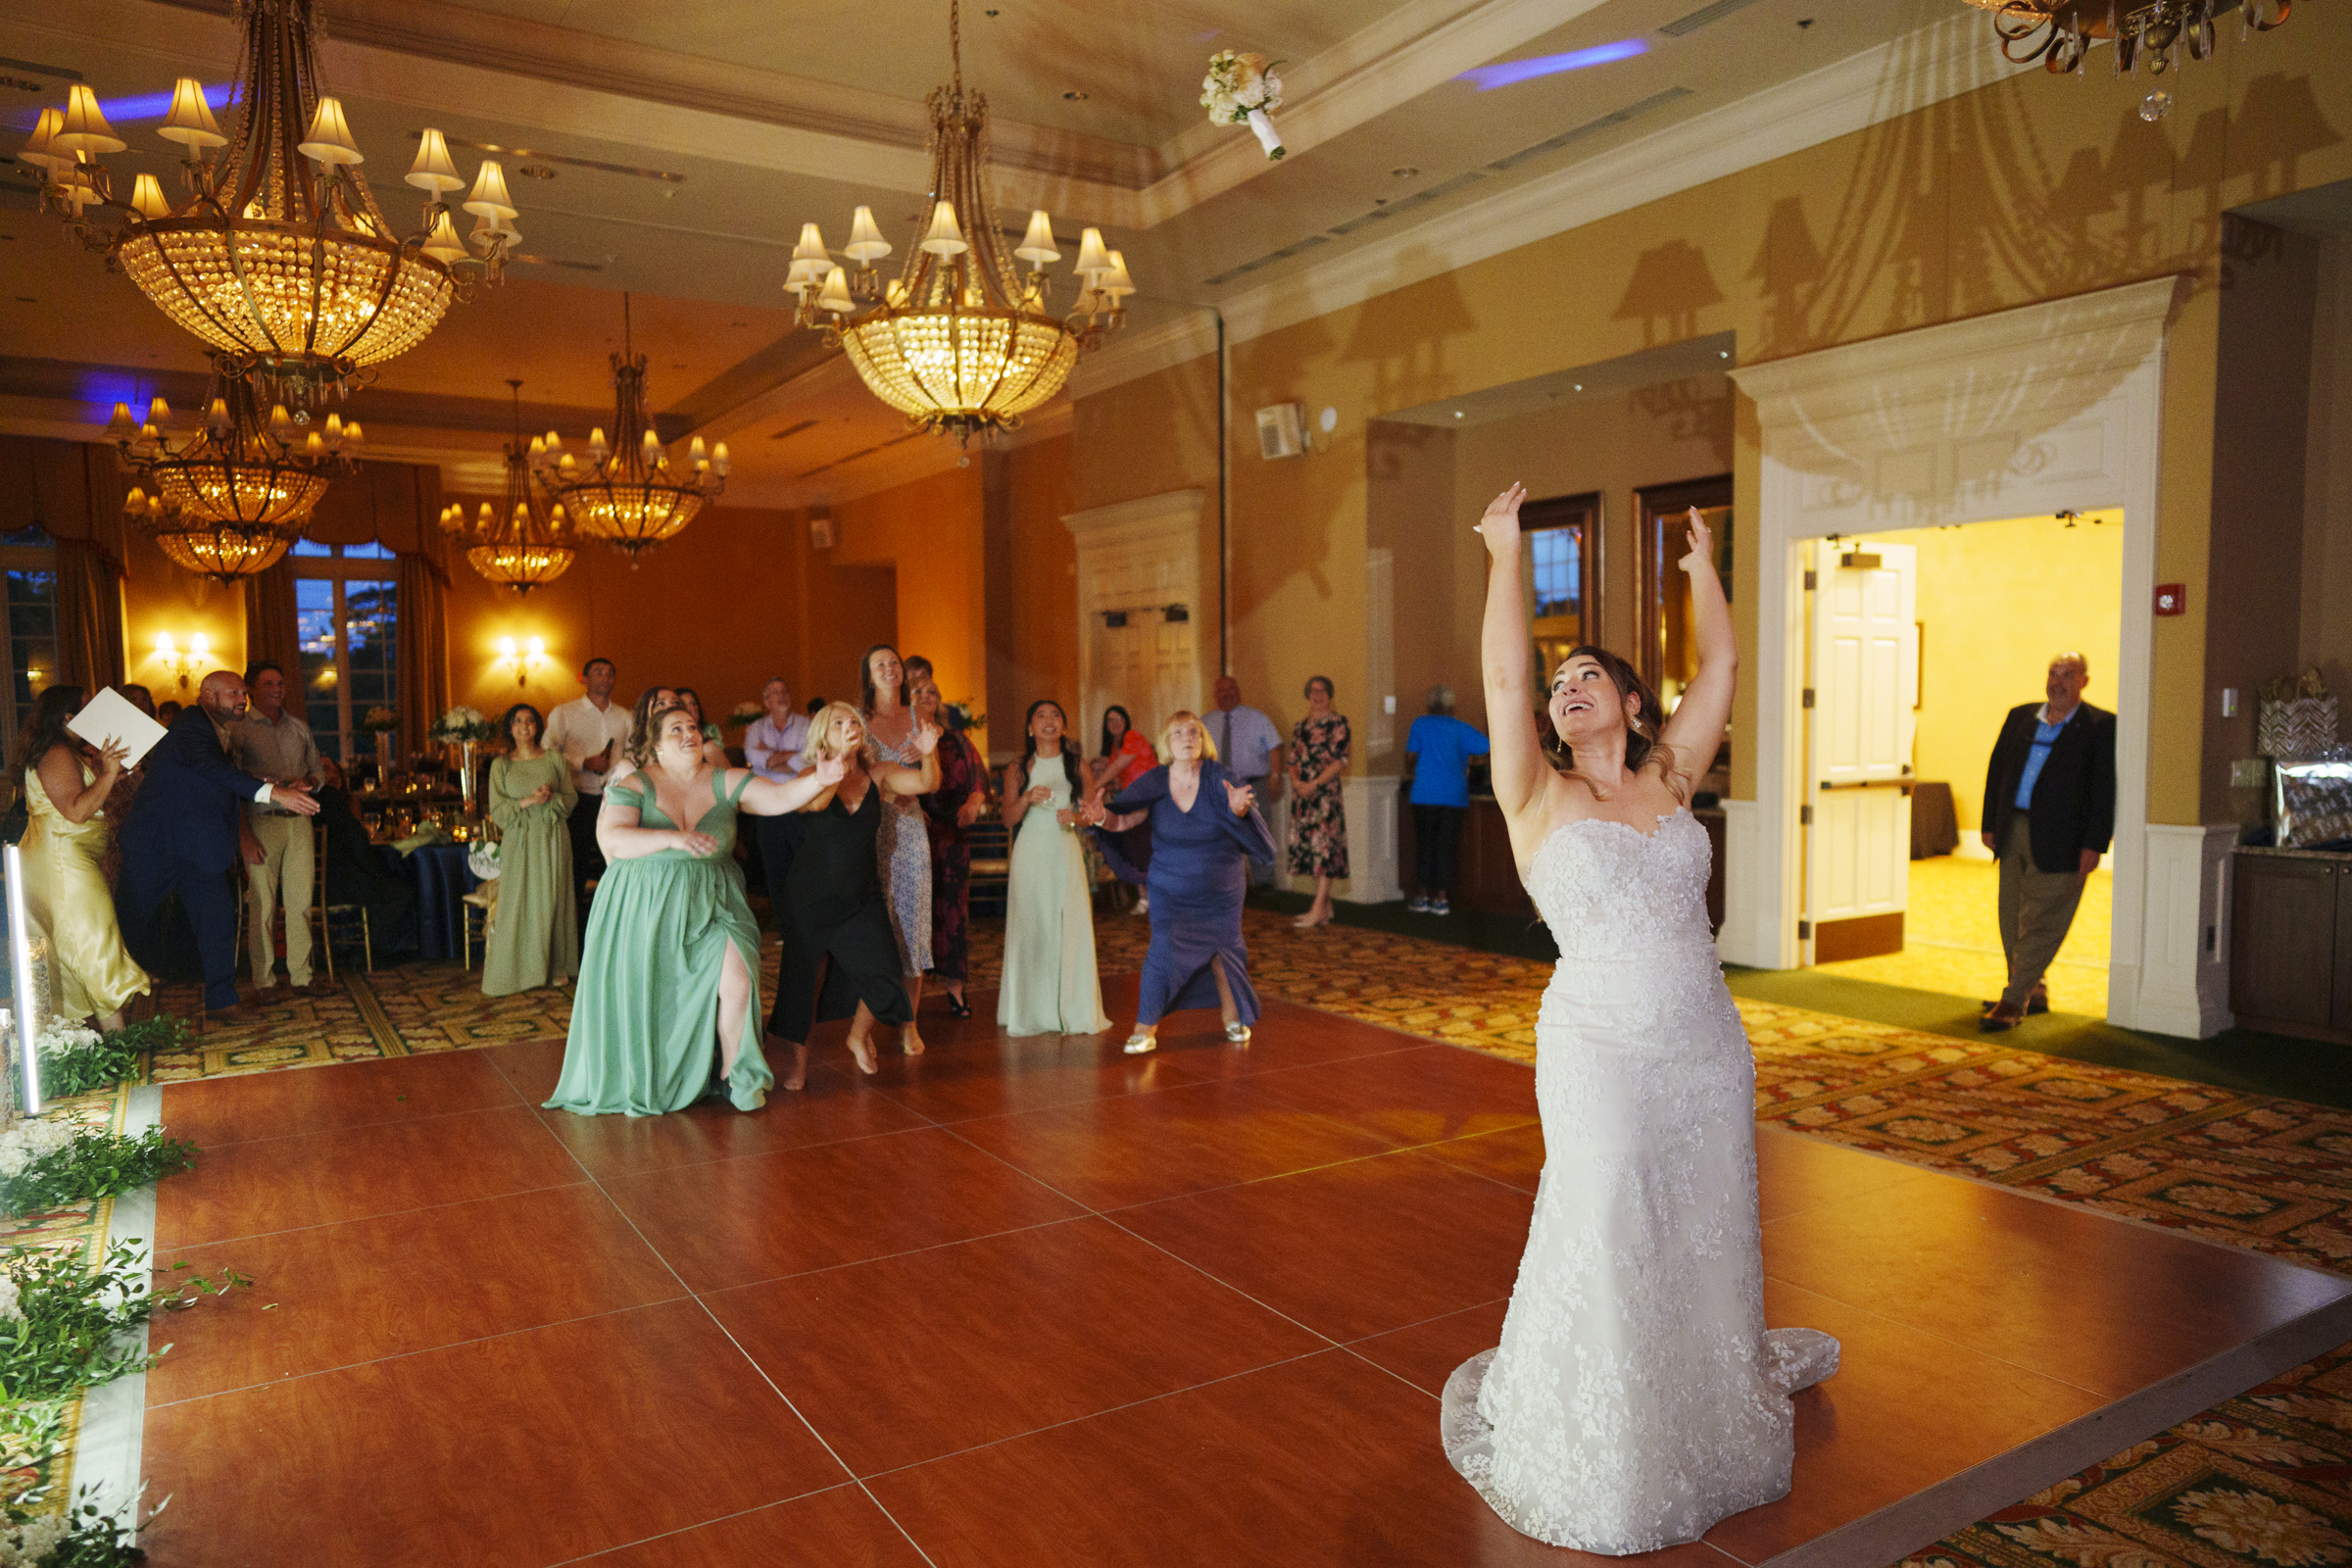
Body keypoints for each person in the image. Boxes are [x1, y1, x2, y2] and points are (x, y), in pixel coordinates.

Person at [1441, 483, 1837, 1550]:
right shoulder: (1538, 794)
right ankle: (1606, 1435)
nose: (1566, 687)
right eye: (1560, 681)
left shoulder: (1673, 777)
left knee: (1702, 1219)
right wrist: (1501, 552)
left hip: (1704, 1046)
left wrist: (1702, 564)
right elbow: (1502, 671)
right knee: (1609, 1200)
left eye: (1588, 676)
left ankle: (1701, 1398)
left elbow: (1722, 668)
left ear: (1627, 702)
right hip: (1598, 1043)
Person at [547, 703, 848, 1117]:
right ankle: (655, 1073)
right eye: (675, 730)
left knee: (737, 977)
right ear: (656, 747)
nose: (689, 733)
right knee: (655, 994)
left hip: (714, 901)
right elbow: (615, 839)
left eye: (693, 726)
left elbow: (779, 797)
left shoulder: (725, 780)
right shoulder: (636, 782)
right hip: (646, 905)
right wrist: (672, 840)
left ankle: (733, 1074)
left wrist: (821, 778)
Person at [116, 670, 319, 1024]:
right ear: (208, 696)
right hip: (158, 843)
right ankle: (104, 1002)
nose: (243, 698)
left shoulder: (216, 728)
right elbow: (209, 767)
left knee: (218, 920)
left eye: (244, 691)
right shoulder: (191, 724)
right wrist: (273, 791)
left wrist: (260, 781)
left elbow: (208, 776)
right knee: (127, 922)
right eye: (235, 693)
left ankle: (222, 1001)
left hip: (197, 845)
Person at [764, 701, 941, 1086]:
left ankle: (857, 1035)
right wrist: (837, 763)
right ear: (823, 735)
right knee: (805, 979)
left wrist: (929, 753)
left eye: (854, 721)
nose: (850, 726)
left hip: (861, 895)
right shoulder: (813, 774)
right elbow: (815, 804)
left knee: (886, 971)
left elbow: (927, 783)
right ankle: (798, 1064)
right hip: (810, 895)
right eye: (839, 722)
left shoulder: (879, 774)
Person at [1083, 711, 1274, 1054]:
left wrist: (1238, 810)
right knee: (1161, 951)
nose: (1187, 737)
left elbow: (1241, 816)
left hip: (1220, 888)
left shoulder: (1221, 778)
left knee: (1223, 949)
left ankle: (1233, 1016)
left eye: (1193, 732)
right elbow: (1124, 820)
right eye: (1178, 733)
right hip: (1169, 887)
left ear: (1202, 740)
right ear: (1166, 743)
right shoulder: (1155, 781)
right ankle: (1145, 1028)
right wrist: (1102, 817)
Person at [1978, 652, 2116, 1031]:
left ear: (2084, 681)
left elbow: (2105, 790)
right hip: (2014, 831)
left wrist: (2096, 844)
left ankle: (2013, 1000)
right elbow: (1997, 771)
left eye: (2067, 675)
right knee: (2011, 917)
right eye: (2053, 673)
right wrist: (1990, 822)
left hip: (2065, 841)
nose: (2058, 682)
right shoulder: (2021, 716)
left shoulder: (2100, 726)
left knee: (2044, 919)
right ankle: (2029, 988)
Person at [16, 686, 148, 1030]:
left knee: (75, 942)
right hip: (62, 862)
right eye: (90, 708)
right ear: (68, 718)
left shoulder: (65, 752)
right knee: (92, 939)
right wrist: (106, 773)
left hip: (66, 858)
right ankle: (119, 1044)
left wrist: (111, 773)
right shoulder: (57, 752)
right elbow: (76, 811)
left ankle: (79, 1039)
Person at [1000, 700, 1110, 1037]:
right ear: (1030, 728)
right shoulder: (1019, 767)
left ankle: (1071, 1008)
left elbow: (1092, 814)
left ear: (1063, 725)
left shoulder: (1076, 765)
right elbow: (1007, 818)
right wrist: (1027, 798)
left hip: (1064, 849)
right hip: (1030, 851)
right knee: (1032, 925)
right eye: (1040, 716)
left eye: (1056, 715)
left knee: (1069, 923)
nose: (1049, 721)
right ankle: (1031, 1010)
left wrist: (1076, 817)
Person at [231, 661, 325, 994]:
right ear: (252, 689)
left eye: (281, 682)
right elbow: (232, 785)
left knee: (301, 901)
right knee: (263, 903)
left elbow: (319, 770)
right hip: (261, 821)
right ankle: (264, 980)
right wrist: (243, 834)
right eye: (268, 683)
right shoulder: (240, 729)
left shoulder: (298, 727)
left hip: (299, 820)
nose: (277, 688)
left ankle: (302, 976)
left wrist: (310, 780)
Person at [858, 644, 934, 1050]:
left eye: (894, 664)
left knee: (912, 924)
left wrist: (923, 757)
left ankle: (909, 1022)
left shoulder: (919, 715)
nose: (889, 669)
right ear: (868, 676)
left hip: (909, 827)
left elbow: (930, 771)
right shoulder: (857, 720)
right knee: (873, 928)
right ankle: (863, 1028)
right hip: (870, 830)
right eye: (880, 665)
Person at [482, 703, 578, 997]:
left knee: (553, 896)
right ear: (510, 728)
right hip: (518, 839)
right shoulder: (501, 765)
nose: (524, 726)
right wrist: (527, 801)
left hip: (551, 835)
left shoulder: (554, 759)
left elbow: (571, 798)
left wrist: (550, 797)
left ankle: (555, 966)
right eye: (517, 721)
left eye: (531, 720)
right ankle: (521, 967)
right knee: (519, 898)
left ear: (538, 726)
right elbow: (497, 809)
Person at [913, 674, 987, 1019]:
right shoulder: (902, 740)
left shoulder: (958, 739)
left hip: (954, 834)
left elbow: (978, 781)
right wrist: (912, 812)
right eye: (917, 692)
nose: (926, 696)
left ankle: (955, 987)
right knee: (915, 913)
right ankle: (908, 995)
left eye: (932, 692)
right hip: (913, 834)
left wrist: (973, 803)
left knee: (954, 912)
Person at [545, 657, 631, 922]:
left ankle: (616, 918)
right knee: (576, 865)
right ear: (584, 678)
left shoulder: (625, 716)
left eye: (610, 673)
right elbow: (548, 751)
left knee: (616, 862)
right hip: (578, 797)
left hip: (614, 798)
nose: (605, 678)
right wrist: (583, 762)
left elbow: (633, 753)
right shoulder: (565, 713)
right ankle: (573, 927)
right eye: (598, 673)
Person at [313, 757, 418, 957]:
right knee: (402, 890)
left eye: (332, 768)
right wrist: (375, 871)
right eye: (325, 768)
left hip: (316, 884)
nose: (331, 772)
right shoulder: (329, 798)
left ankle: (364, 944)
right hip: (338, 885)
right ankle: (371, 947)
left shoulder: (312, 800)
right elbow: (358, 842)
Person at [1405, 686, 1491, 916]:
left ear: (1429, 704)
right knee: (1445, 847)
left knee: (1424, 846)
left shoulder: (1420, 724)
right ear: (1451, 705)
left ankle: (1422, 896)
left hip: (1423, 794)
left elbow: (1410, 757)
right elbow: (1486, 746)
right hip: (1453, 795)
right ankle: (1441, 899)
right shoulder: (1460, 728)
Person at [1204, 676, 1283, 890]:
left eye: (1231, 689)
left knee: (1258, 832)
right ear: (1216, 695)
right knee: (1220, 835)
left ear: (1238, 692)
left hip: (1252, 785)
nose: (1226, 693)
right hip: (1219, 788)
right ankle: (1225, 884)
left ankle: (1265, 883)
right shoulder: (1205, 723)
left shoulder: (1257, 718)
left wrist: (1275, 776)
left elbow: (1275, 747)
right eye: (1221, 690)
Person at [1286, 675, 1351, 928]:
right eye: (1313, 690)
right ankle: (1325, 909)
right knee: (1311, 852)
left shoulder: (1339, 723)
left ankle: (1317, 909)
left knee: (1324, 852)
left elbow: (1339, 761)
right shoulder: (1300, 726)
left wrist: (1314, 784)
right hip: (1303, 795)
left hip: (1325, 795)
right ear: (1307, 695)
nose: (1318, 695)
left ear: (1330, 694)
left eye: (1323, 690)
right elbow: (1292, 761)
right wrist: (1297, 783)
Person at [744, 676, 810, 781]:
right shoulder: (755, 727)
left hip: (796, 789)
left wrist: (768, 759)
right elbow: (752, 757)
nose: (782, 695)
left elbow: (807, 760)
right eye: (776, 692)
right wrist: (792, 754)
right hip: (763, 789)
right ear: (767, 702)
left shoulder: (805, 724)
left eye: (785, 691)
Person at [1089, 706, 1157, 797]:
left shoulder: (1132, 736)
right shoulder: (1113, 750)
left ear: (1125, 721)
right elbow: (1119, 782)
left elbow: (1119, 765)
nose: (1115, 723)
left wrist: (1094, 786)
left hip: (1151, 790)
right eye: (1110, 720)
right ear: (1106, 725)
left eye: (1118, 718)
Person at [672, 687, 732, 768]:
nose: (691, 709)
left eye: (693, 703)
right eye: (684, 705)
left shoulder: (711, 732)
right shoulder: (673, 737)